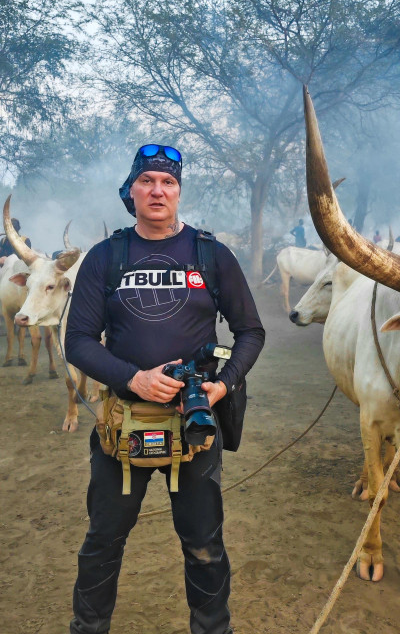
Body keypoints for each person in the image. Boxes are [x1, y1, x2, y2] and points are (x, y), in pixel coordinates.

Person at [65, 143, 265, 634]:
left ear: (179, 193)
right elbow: (77, 342)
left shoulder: (211, 254)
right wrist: (133, 378)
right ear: (131, 191)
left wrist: (222, 386)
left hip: (194, 425)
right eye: (147, 181)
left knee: (204, 546)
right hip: (122, 426)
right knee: (102, 542)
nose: (158, 190)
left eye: (169, 182)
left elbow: (250, 331)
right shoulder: (105, 257)